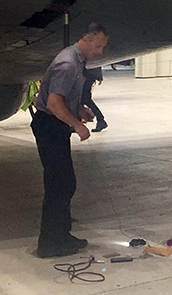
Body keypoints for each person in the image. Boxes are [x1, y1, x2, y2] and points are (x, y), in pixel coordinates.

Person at [31, 23, 109, 258]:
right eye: (98, 46)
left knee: (65, 183)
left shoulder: (77, 61)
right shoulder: (68, 63)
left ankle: (62, 235)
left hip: (56, 125)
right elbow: (54, 103)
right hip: (50, 126)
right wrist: (76, 125)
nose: (100, 52)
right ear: (86, 38)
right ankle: (49, 244)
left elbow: (62, 100)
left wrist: (78, 110)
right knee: (59, 185)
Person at [81, 64, 107, 132]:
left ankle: (101, 120)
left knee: (84, 99)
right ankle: (100, 120)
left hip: (87, 75)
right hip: (88, 74)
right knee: (84, 99)